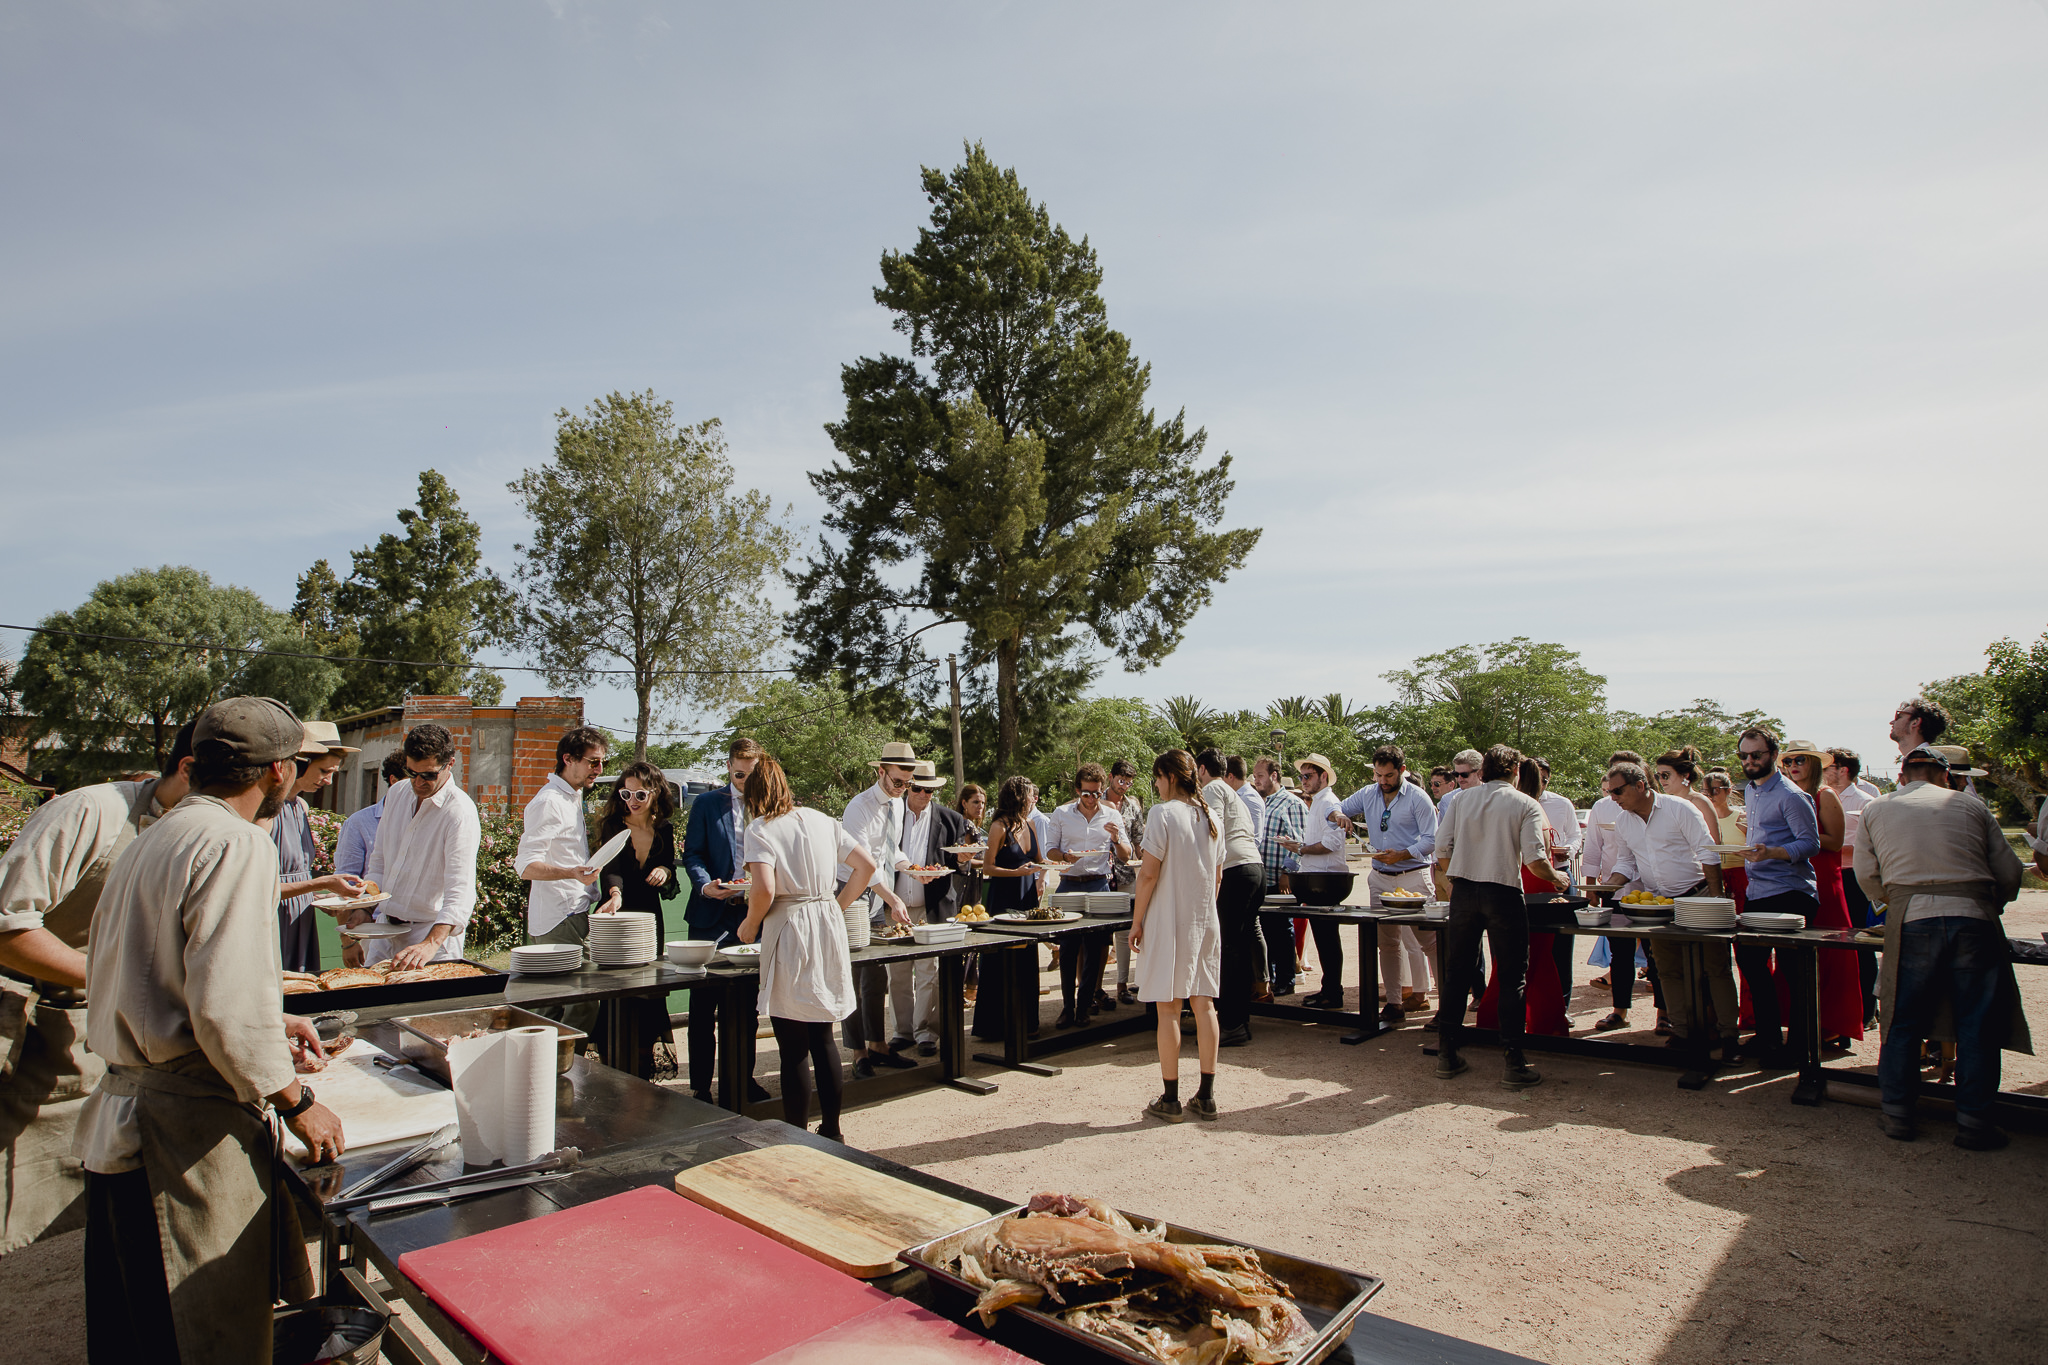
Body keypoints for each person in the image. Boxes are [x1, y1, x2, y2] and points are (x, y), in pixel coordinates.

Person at [78, 697, 344, 1361]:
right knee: (204, 1333)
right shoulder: (237, 841)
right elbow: (224, 1013)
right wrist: (299, 1101)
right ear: (280, 771)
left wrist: (268, 1012)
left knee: (138, 1329)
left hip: (121, 1113)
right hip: (182, 1130)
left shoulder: (155, 835)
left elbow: (147, 972)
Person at [0, 723, 194, 1255]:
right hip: (34, 1026)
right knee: (24, 1197)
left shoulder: (194, 835)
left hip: (116, 1035)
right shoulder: (91, 812)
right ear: (188, 770)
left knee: (89, 1204)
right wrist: (115, 980)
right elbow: (9, 930)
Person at [1857, 744, 2028, 1149]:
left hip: (1912, 916)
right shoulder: (1971, 807)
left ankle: (1898, 1114)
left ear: (1902, 776)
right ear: (1945, 776)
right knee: (1977, 1023)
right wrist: (1990, 902)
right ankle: (1974, 1122)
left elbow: (1867, 874)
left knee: (1902, 1020)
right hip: (1972, 915)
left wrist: (1895, 901)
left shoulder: (1877, 809)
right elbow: (2009, 870)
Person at [735, 756, 872, 1144]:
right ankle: (832, 1129)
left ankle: (796, 1135)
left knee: (792, 1041)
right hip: (826, 922)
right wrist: (835, 906)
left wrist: (750, 924)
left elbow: (763, 889)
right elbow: (866, 866)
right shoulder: (823, 820)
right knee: (822, 1035)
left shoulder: (760, 828)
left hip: (790, 927)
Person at [1431, 744, 1564, 1090]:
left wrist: (1454, 876)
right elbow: (1536, 860)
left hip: (1464, 891)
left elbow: (1441, 847)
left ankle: (1447, 1053)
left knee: (1456, 974)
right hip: (1503, 892)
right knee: (1511, 977)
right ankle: (1513, 1061)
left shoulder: (1461, 800)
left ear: (1483, 770)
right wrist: (1558, 879)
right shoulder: (1525, 803)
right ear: (1516, 771)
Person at [1591, 762, 1733, 1053]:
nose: (1613, 797)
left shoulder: (1679, 809)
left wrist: (1717, 900)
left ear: (1640, 786)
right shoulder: (1624, 820)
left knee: (1715, 969)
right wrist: (1608, 886)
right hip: (1660, 903)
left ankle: (1728, 1036)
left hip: (1699, 895)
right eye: (1610, 791)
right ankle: (1681, 1033)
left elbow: (1707, 851)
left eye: (1618, 791)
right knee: (1667, 970)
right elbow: (1626, 863)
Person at [1132, 750, 1224, 1122]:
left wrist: (1137, 920)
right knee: (1204, 1005)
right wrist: (1202, 911)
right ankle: (1206, 1094)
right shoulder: (1211, 815)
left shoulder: (1162, 813)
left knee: (1168, 1008)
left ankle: (1170, 1098)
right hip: (1204, 918)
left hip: (1169, 918)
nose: (1155, 785)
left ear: (1168, 775)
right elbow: (1217, 876)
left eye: (1156, 777)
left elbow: (1148, 874)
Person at [349, 723, 480, 971]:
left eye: (429, 775)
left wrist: (430, 944)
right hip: (385, 929)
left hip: (431, 936)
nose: (418, 783)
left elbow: (460, 890)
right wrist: (366, 908)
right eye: (412, 773)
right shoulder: (398, 793)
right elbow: (379, 862)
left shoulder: (459, 812)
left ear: (450, 764)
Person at [681, 736, 767, 1105]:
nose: (743, 778)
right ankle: (700, 1086)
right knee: (703, 1008)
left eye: (750, 772)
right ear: (730, 766)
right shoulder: (705, 803)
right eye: (738, 772)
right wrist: (705, 886)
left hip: (753, 915)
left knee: (746, 1009)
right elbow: (693, 854)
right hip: (711, 916)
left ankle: (742, 1081)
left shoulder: (769, 806)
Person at [1731, 728, 1820, 1063]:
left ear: (1773, 755)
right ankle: (1768, 1038)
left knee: (1794, 972)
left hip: (1791, 891)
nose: (1750, 761)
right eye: (1744, 756)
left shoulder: (1792, 795)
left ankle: (1799, 1048)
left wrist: (1772, 853)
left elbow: (1810, 843)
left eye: (1757, 755)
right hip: (1759, 890)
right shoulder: (1752, 792)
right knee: (1751, 962)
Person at [518, 725, 610, 1036]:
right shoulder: (550, 801)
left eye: (603, 763)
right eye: (592, 762)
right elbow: (526, 866)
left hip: (572, 911)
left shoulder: (571, 795)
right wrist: (571, 872)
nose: (598, 769)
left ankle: (550, 1077)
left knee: (553, 1006)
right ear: (567, 759)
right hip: (560, 916)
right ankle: (563, 1077)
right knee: (579, 1003)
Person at [1338, 744, 1439, 1022]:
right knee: (1388, 943)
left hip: (1414, 876)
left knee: (1429, 941)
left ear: (1402, 771)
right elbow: (1336, 807)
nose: (1383, 781)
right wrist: (1339, 815)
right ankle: (1394, 1003)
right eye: (1379, 775)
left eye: (1389, 776)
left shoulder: (1418, 798)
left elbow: (1432, 839)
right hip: (1380, 877)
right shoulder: (1368, 793)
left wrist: (1403, 854)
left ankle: (1448, 1006)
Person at [595, 761, 683, 1077]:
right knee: (618, 991)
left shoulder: (664, 829)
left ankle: (644, 1068)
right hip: (617, 913)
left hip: (649, 917)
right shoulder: (613, 826)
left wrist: (665, 870)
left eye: (640, 794)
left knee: (649, 987)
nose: (632, 800)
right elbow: (611, 869)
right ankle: (615, 1068)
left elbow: (669, 870)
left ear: (655, 793)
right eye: (626, 793)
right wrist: (615, 894)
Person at [1778, 741, 1866, 1048]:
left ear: (1814, 763)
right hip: (1793, 880)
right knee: (1792, 955)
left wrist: (1796, 838)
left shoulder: (1824, 795)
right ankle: (1800, 1024)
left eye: (1799, 760)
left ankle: (1832, 1025)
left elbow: (1836, 840)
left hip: (1824, 881)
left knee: (1830, 955)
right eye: (1788, 761)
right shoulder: (1786, 795)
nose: (1793, 766)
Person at [839, 741, 918, 1078]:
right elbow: (864, 865)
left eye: (908, 784)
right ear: (881, 772)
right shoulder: (859, 807)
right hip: (849, 894)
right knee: (854, 977)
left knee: (875, 977)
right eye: (897, 782)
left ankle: (878, 1045)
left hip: (875, 895)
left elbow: (890, 850)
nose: (902, 789)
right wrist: (894, 898)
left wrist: (913, 868)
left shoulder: (897, 805)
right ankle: (858, 1053)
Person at [1046, 762, 1133, 1028]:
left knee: (1096, 950)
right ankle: (1067, 1007)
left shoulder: (1111, 814)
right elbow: (1049, 850)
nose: (1092, 799)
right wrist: (1064, 856)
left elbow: (1126, 855)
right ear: (1077, 790)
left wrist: (1117, 839)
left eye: (1097, 793)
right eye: (1087, 793)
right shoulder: (1061, 814)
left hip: (1098, 884)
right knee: (1068, 949)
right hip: (1069, 882)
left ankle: (1084, 1006)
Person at [897, 760, 976, 1055]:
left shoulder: (951, 819)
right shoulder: (892, 815)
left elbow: (956, 861)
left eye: (930, 791)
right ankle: (901, 1031)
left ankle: (925, 1033)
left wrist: (965, 858)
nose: (923, 795)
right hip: (897, 905)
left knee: (929, 971)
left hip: (933, 906)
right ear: (907, 787)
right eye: (918, 789)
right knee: (899, 974)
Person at [272, 722, 358, 972]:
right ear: (299, 763)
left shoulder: (301, 808)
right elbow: (260, 886)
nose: (329, 781)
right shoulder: (266, 811)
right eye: (323, 771)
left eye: (333, 773)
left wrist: (320, 897)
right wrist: (321, 883)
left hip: (300, 921)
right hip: (271, 921)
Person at [1195, 750, 1266, 1047]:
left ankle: (1232, 1022)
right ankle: (1241, 1018)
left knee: (1229, 949)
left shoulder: (1211, 789)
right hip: (1255, 868)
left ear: (1201, 770)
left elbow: (1214, 829)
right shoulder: (1233, 791)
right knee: (1241, 941)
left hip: (1235, 871)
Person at [1277, 753, 1350, 1010]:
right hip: (1319, 879)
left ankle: (1333, 992)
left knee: (1328, 939)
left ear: (1323, 777)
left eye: (1308, 776)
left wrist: (1301, 849)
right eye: (1302, 776)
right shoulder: (1318, 801)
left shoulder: (1328, 801)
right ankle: (1329, 989)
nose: (1304, 781)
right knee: (1324, 938)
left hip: (1326, 880)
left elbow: (1332, 838)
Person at [973, 776, 1044, 1042]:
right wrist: (1016, 873)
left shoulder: (1032, 824)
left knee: (1027, 961)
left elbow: (1039, 859)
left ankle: (1028, 1022)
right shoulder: (998, 826)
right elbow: (988, 867)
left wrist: (1063, 861)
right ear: (1018, 797)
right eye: (1029, 795)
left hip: (1028, 901)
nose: (1033, 800)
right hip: (1004, 899)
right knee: (1000, 962)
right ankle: (994, 1026)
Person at [1251, 756, 1305, 997]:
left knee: (1282, 931)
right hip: (1261, 879)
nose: (1256, 780)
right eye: (1255, 776)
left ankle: (1286, 978)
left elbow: (1299, 840)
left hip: (1279, 880)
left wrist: (1288, 872)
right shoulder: (1259, 802)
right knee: (1265, 930)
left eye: (1260, 776)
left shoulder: (1291, 804)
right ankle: (1270, 978)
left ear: (1274, 776)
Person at [336, 751, 410, 879]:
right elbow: (347, 877)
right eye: (412, 779)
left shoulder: (430, 819)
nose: (420, 785)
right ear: (394, 781)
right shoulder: (359, 822)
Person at [1106, 760, 1144, 1005]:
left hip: (1128, 874)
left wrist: (1143, 863)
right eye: (1121, 781)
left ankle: (1122, 984)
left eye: (1129, 783)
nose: (1124, 787)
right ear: (1111, 777)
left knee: (1125, 931)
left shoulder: (1133, 806)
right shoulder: (1095, 803)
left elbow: (1139, 840)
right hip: (1103, 873)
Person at [1534, 758, 1580, 888]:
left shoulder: (1562, 803)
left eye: (1544, 780)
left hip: (1560, 869)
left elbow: (1575, 835)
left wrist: (1568, 851)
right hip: (1528, 872)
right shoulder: (1517, 803)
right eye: (1537, 778)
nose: (1540, 784)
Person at [1224, 755, 1265, 826]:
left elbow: (1254, 834)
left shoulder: (1249, 799)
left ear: (1230, 777)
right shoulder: (1243, 796)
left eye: (1223, 777)